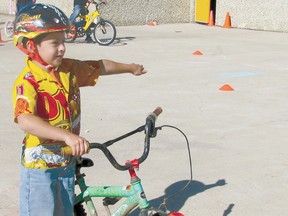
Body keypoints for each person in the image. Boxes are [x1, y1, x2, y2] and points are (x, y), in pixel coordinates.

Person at [12, 3, 146, 216]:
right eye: (55, 43)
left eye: (63, 42)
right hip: (40, 168)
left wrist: (129, 68)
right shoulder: (28, 82)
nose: (62, 48)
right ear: (31, 46)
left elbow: (100, 66)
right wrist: (67, 136)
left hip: (66, 163)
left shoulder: (68, 69)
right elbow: (25, 119)